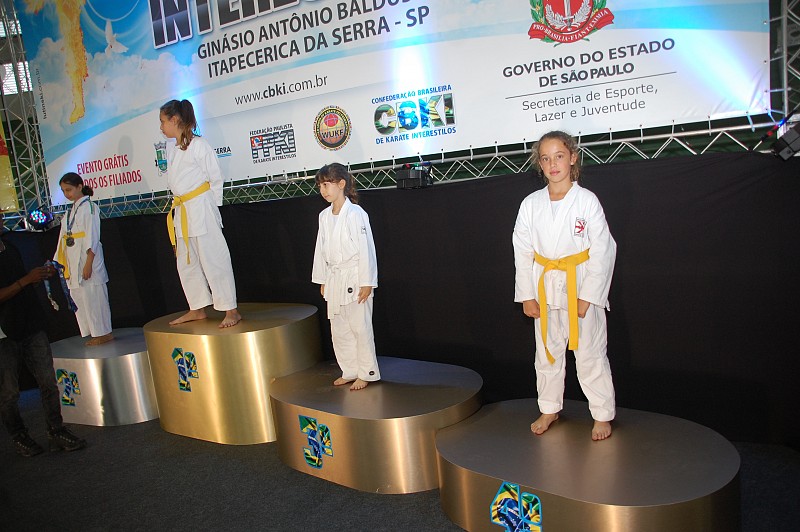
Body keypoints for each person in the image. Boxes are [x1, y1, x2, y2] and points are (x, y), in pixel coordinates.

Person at [512, 130, 617, 441]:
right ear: (540, 164)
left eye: (559, 156)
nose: (552, 164)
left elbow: (603, 249)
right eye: (545, 159)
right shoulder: (530, 204)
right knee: (547, 353)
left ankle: (602, 413)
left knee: (590, 354)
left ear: (572, 158)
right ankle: (549, 408)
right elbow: (522, 251)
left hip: (579, 282)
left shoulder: (586, 201)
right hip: (544, 284)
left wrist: (589, 296)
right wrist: (527, 295)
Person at [0, 209, 87, 456]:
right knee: (9, 393)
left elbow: (20, 282)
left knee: (49, 382)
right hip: (4, 333)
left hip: (31, 322)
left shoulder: (9, 247)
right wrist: (26, 281)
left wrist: (38, 277)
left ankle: (56, 430)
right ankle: (19, 436)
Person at [159, 99, 241, 328]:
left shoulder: (199, 145)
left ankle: (231, 309)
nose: (161, 127)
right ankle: (197, 308)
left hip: (202, 207)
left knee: (214, 259)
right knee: (187, 263)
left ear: (175, 119)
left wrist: (212, 209)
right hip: (182, 211)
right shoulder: (172, 148)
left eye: (163, 121)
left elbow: (215, 178)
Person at [311, 163, 380, 391]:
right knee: (339, 329)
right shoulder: (323, 216)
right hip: (334, 277)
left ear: (341, 184)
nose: (323, 190)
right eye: (320, 186)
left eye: (327, 185)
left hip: (354, 276)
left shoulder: (356, 213)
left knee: (360, 327)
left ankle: (367, 372)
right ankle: (349, 370)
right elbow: (320, 249)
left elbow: (366, 248)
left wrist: (367, 281)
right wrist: (322, 279)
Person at [53, 172, 113, 346]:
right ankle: (91, 331)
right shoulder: (69, 212)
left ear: (80, 186)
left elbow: (93, 236)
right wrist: (59, 262)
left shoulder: (90, 208)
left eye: (69, 189)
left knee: (94, 294)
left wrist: (89, 263)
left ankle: (104, 332)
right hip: (72, 259)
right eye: (64, 191)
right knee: (79, 296)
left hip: (88, 257)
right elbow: (62, 238)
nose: (67, 194)